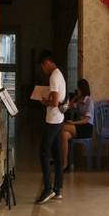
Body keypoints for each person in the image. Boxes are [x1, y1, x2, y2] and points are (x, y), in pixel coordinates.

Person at [36, 50, 66, 204]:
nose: (43, 70)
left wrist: (44, 102)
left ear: (47, 63)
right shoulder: (59, 74)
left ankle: (48, 188)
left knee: (43, 152)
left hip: (53, 120)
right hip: (59, 119)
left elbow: (54, 102)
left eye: (42, 66)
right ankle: (57, 188)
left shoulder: (53, 76)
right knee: (57, 154)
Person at [60, 78, 94, 172]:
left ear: (82, 89)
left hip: (86, 128)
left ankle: (56, 156)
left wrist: (73, 123)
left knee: (61, 127)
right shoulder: (80, 100)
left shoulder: (89, 101)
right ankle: (65, 164)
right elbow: (67, 108)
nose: (77, 90)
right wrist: (75, 97)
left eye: (78, 89)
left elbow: (86, 120)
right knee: (64, 135)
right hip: (79, 126)